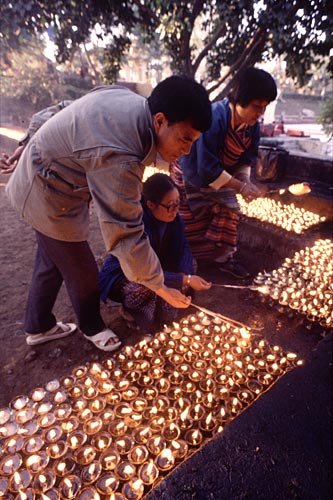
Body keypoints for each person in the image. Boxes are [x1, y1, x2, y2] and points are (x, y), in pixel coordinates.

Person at [5, 77, 212, 351]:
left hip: (54, 180)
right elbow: (125, 233)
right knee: (83, 270)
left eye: (193, 143)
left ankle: (39, 325)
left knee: (52, 258)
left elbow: (64, 108)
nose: (186, 151)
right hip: (47, 191)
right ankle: (91, 326)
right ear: (160, 121)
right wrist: (161, 287)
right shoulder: (122, 155)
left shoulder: (131, 103)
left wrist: (29, 140)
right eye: (185, 140)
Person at [170, 67, 277, 278]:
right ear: (240, 99)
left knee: (229, 211)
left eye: (264, 107)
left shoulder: (251, 125)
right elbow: (205, 167)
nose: (260, 113)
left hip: (221, 177)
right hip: (192, 173)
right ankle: (187, 261)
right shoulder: (214, 118)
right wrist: (240, 187)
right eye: (256, 106)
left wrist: (245, 179)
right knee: (190, 221)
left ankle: (221, 259)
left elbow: (247, 158)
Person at [99, 173, 211, 332]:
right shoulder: (137, 227)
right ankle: (134, 313)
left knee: (190, 264)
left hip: (157, 268)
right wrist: (184, 280)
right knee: (141, 288)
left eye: (178, 203)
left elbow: (184, 248)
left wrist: (184, 274)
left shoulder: (174, 219)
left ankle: (166, 305)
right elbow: (142, 270)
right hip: (128, 274)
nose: (175, 210)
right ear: (151, 205)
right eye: (170, 205)